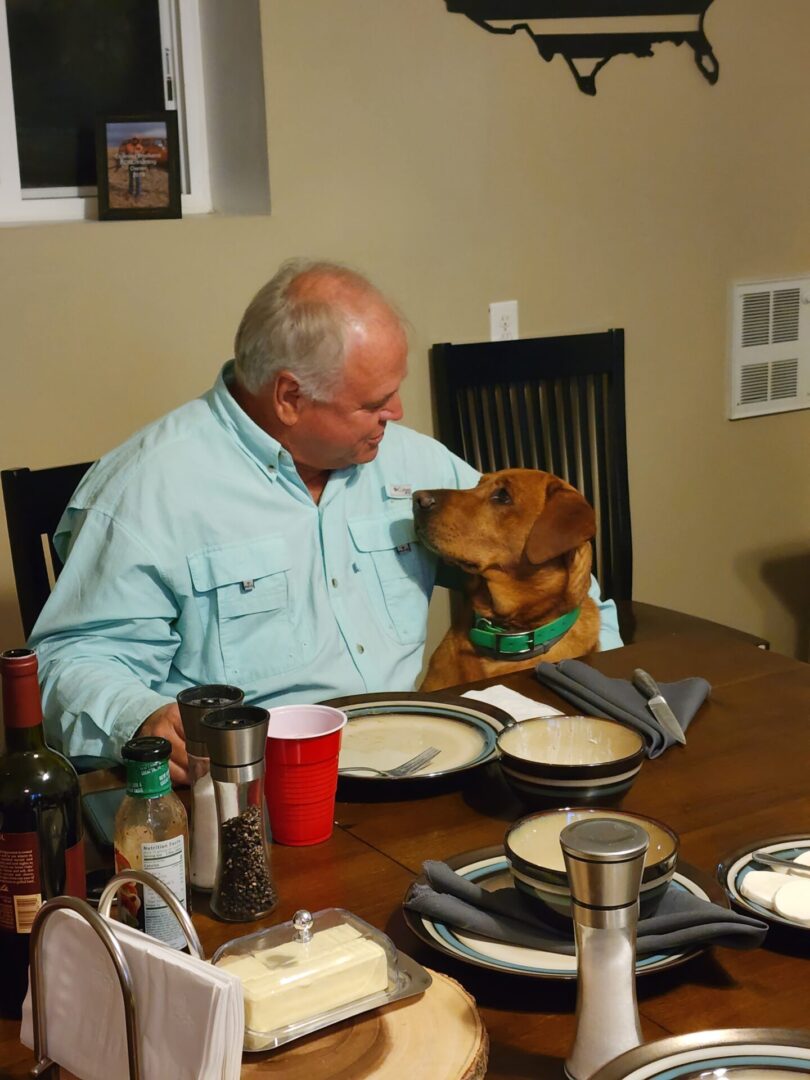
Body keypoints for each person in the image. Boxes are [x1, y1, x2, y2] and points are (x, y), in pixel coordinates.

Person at [30, 260, 622, 784]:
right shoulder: (147, 488)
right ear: (289, 396)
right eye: (373, 403)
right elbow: (71, 663)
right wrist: (141, 716)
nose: (397, 414)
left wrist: (605, 687)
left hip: (426, 762)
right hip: (257, 791)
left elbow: (553, 578)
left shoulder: (410, 463)